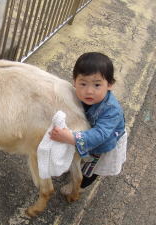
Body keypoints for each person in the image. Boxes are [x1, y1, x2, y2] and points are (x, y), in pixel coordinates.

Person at [49, 52, 127, 193]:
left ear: (110, 85)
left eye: (97, 85)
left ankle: (79, 187)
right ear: (74, 81)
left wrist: (71, 138)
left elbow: (100, 134)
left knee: (92, 169)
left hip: (105, 143)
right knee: (82, 157)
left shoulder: (112, 110)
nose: (89, 91)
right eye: (83, 83)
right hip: (87, 135)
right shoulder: (78, 95)